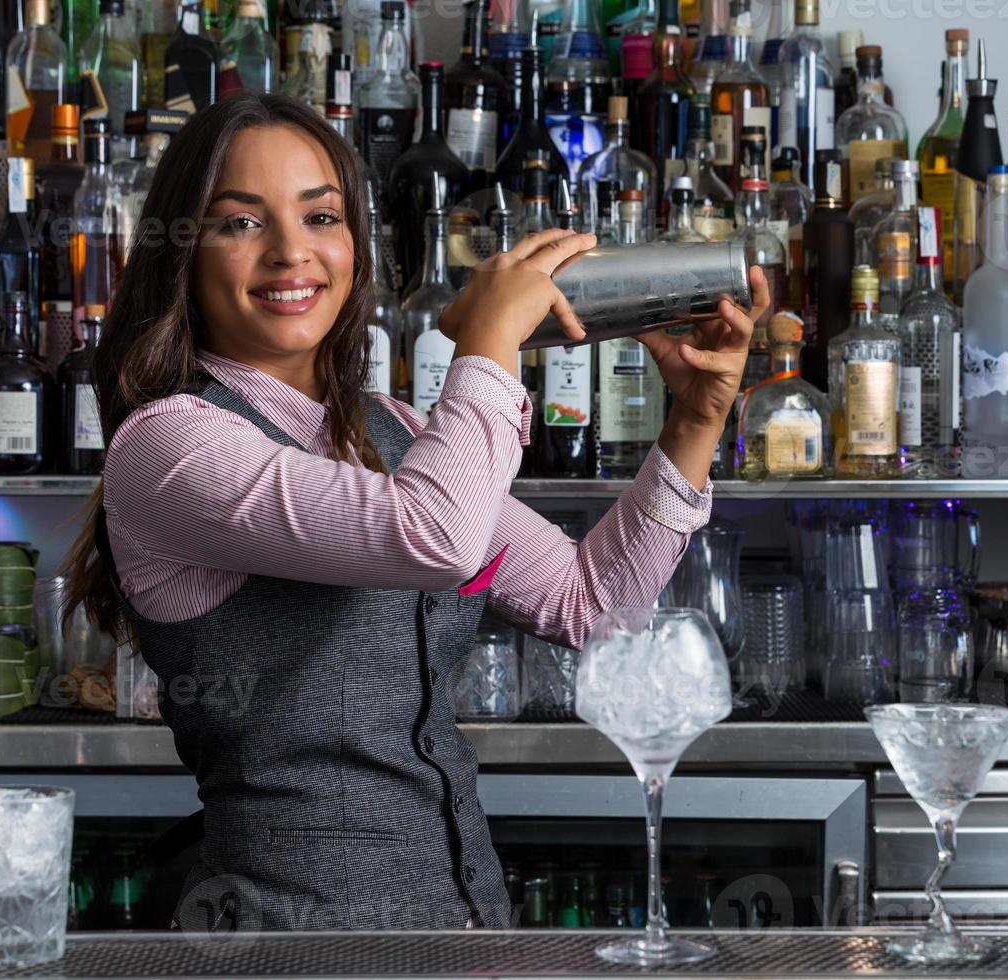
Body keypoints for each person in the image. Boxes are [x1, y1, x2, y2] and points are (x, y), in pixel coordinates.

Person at [63, 91, 768, 932]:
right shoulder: (169, 447)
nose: (292, 252)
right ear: (181, 253)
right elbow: (433, 536)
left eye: (321, 216)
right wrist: (489, 342)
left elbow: (595, 604)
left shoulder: (393, 430)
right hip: (291, 948)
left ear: (356, 244)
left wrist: (694, 421)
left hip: (461, 932)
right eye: (239, 223)